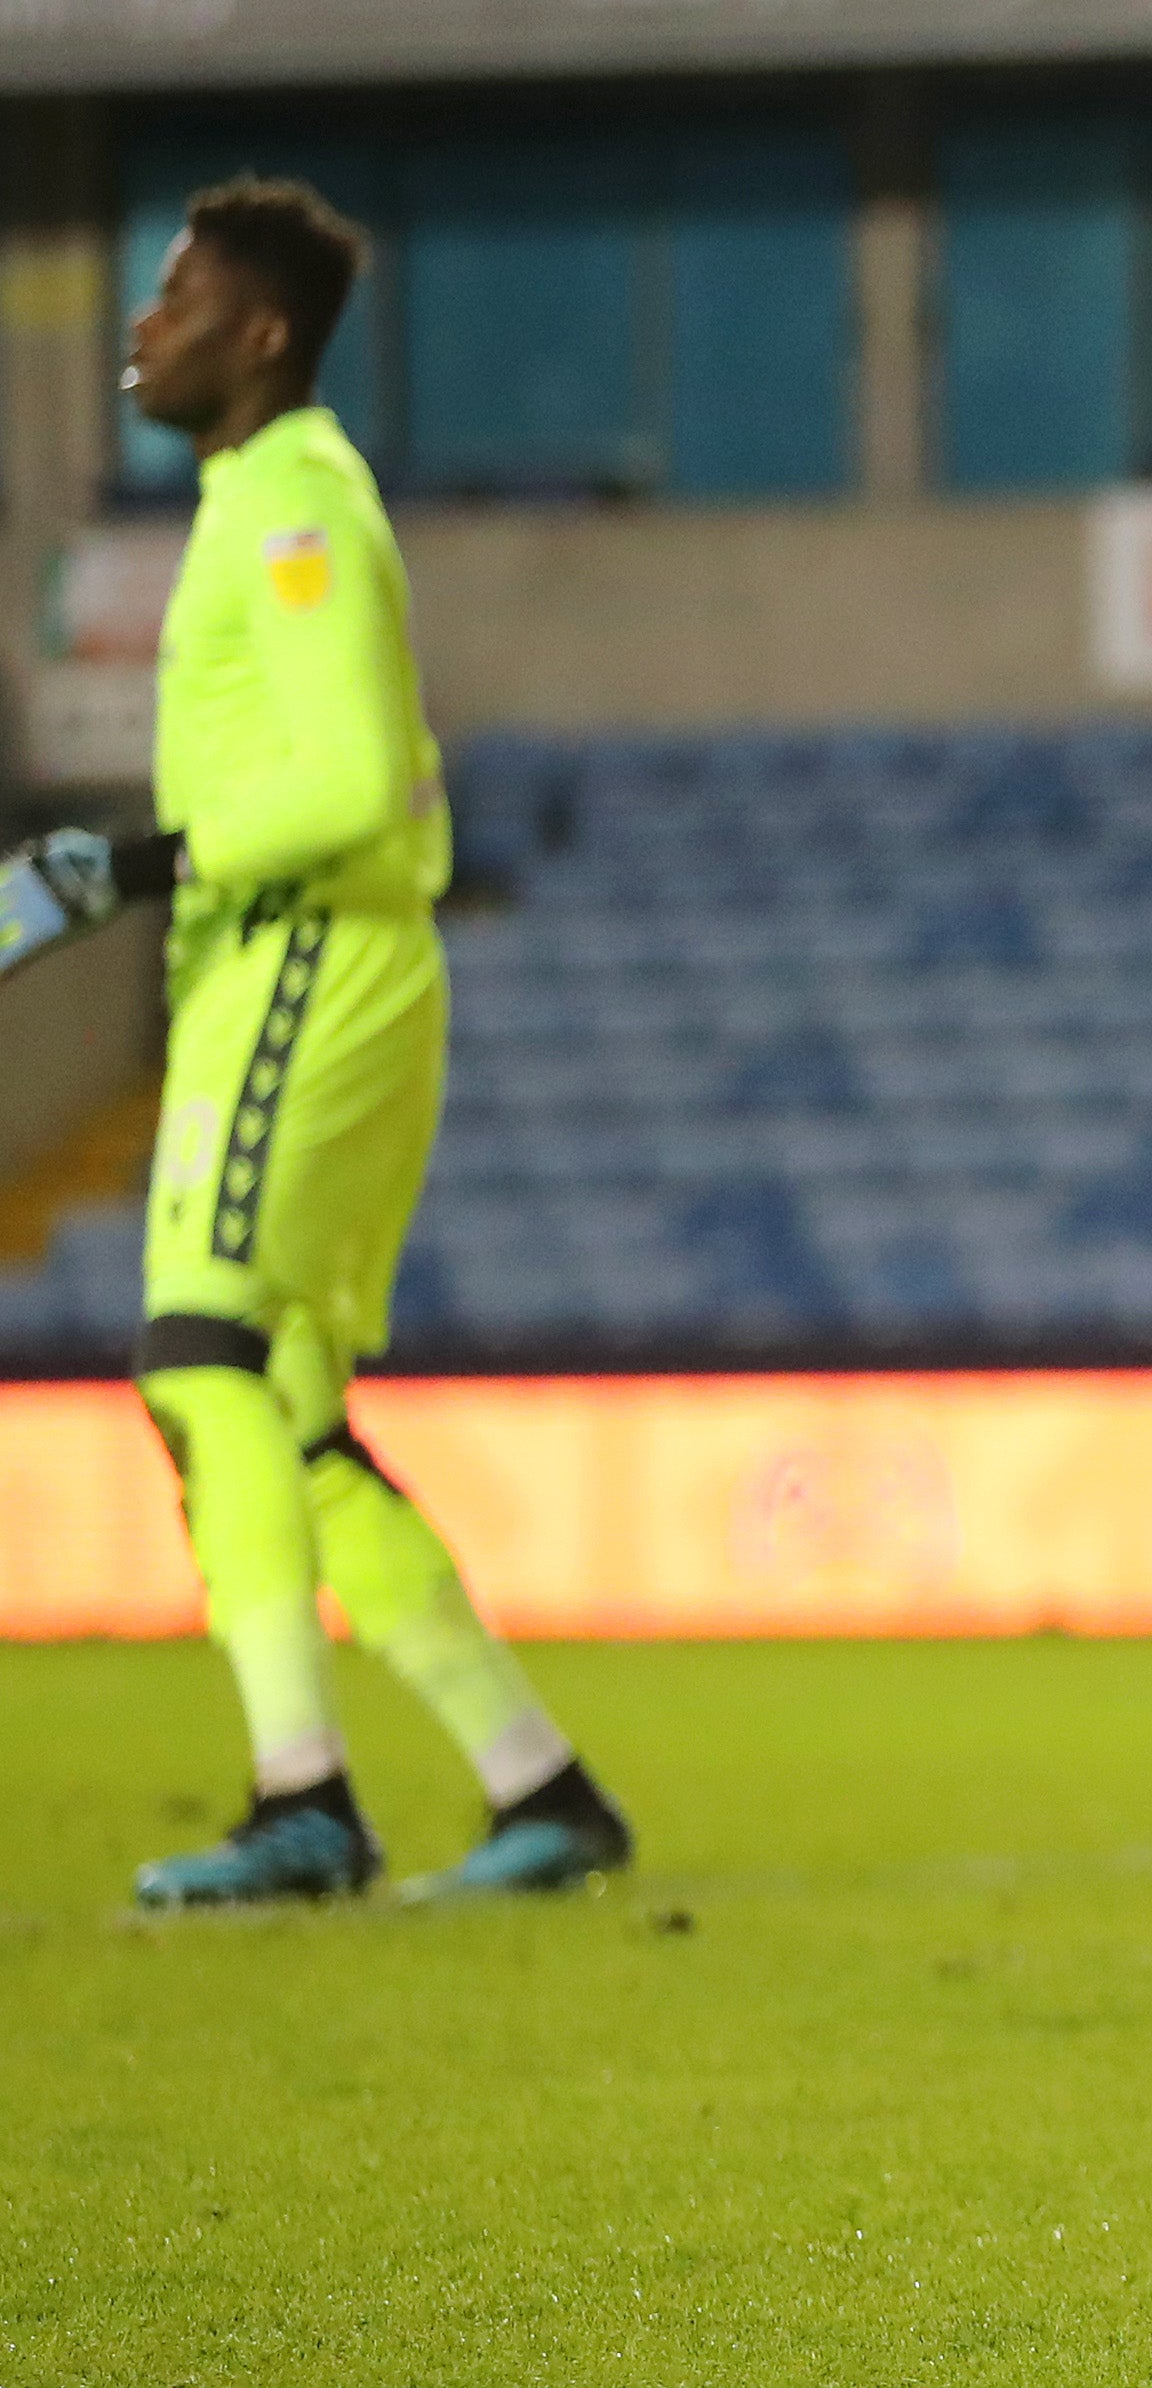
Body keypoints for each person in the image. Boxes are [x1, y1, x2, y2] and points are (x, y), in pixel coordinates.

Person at [1, 179, 636, 1908]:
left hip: (301, 957)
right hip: (305, 961)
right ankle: (543, 1789)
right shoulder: (265, 498)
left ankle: (304, 1803)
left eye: (183, 294)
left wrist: (123, 868)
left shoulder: (291, 503)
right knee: (284, 1408)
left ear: (262, 334)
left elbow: (355, 784)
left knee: (199, 1357)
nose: (146, 322)